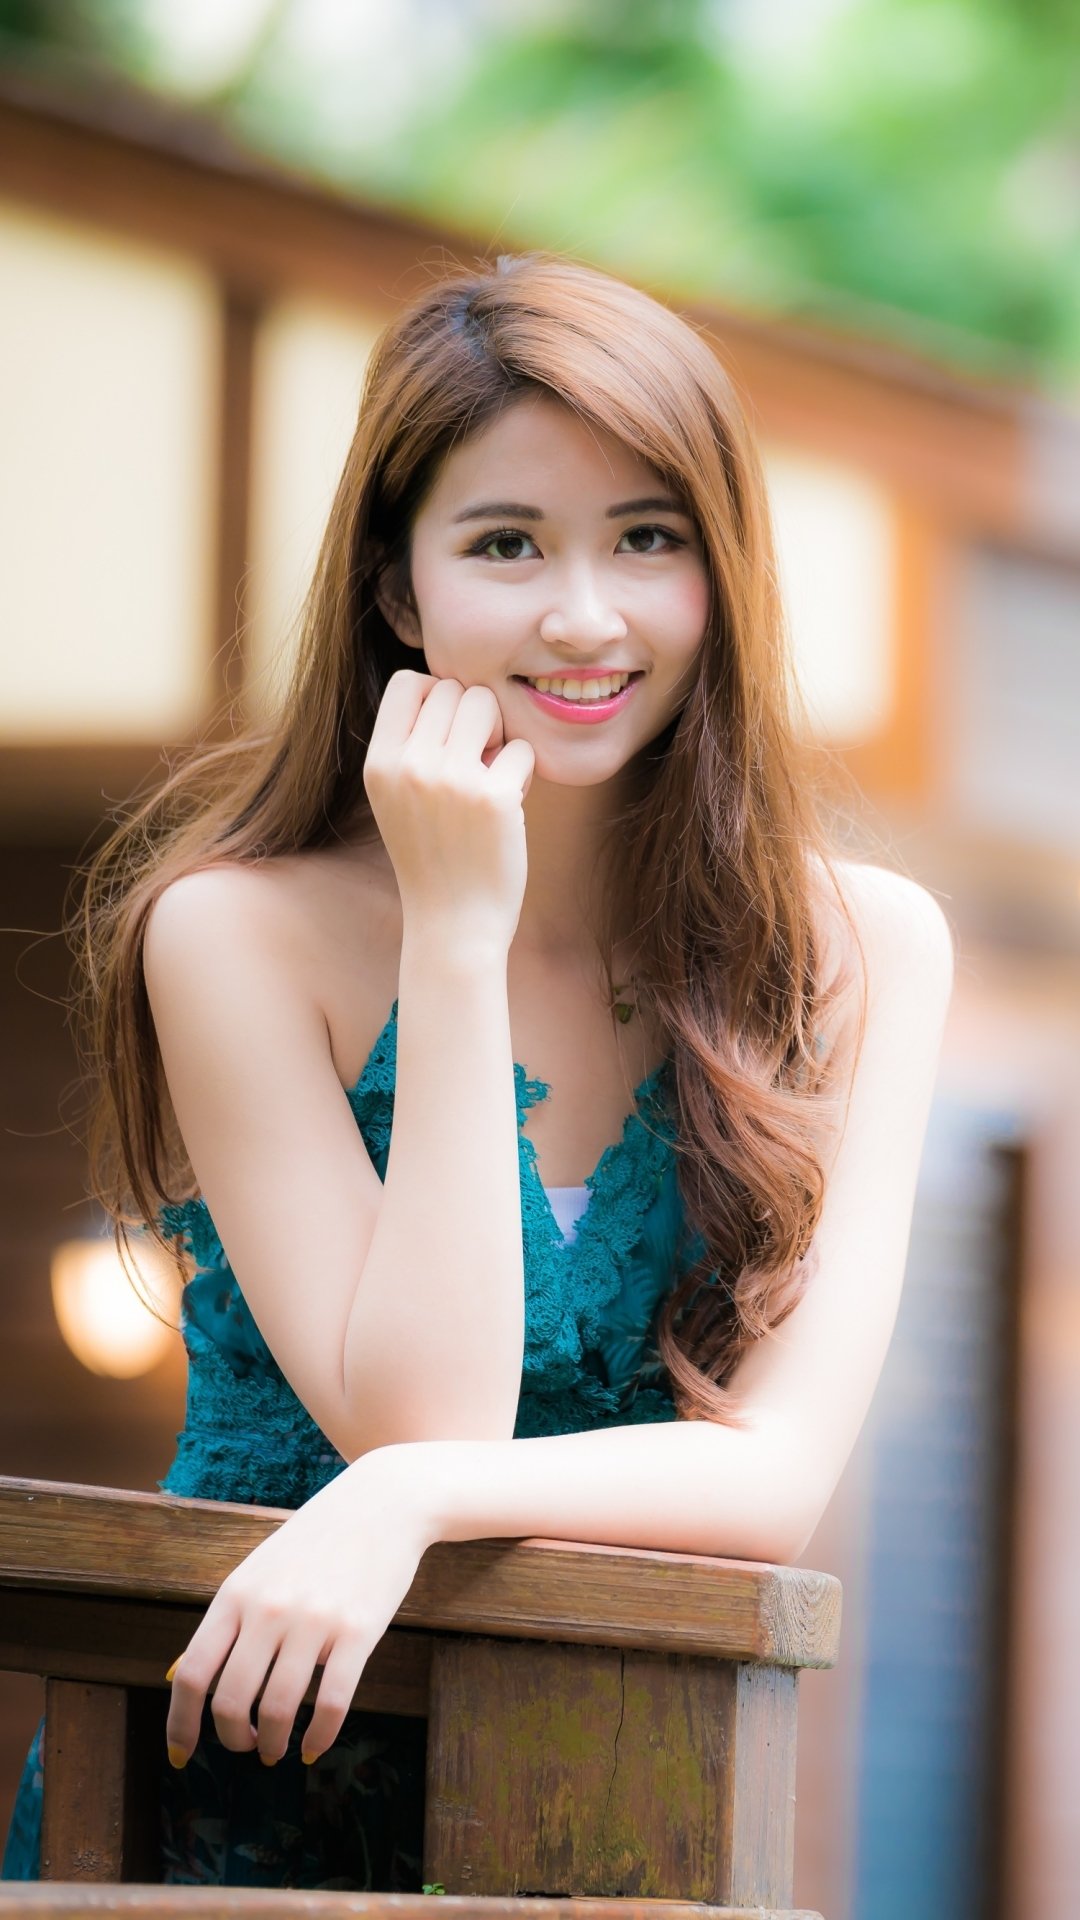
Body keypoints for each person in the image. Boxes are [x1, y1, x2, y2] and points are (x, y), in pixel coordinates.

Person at [2, 252, 954, 1889]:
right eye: (507, 543)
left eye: (647, 539)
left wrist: (412, 1502)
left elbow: (776, 1478)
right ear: (398, 591)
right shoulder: (230, 933)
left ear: (722, 573)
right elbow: (416, 1406)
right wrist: (456, 938)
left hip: (615, 1799)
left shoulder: (861, 951)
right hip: (234, 1793)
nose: (584, 616)